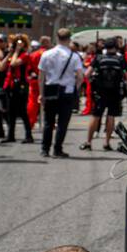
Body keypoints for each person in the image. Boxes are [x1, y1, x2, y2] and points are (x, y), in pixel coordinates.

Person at [38, 28, 85, 159]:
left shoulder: (47, 54)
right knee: (63, 123)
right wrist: (75, 87)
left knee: (49, 122)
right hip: (67, 91)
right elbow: (80, 76)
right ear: (69, 39)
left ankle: (44, 149)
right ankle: (58, 149)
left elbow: (41, 76)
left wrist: (41, 94)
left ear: (56, 38)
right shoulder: (74, 56)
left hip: (50, 89)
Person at [82, 37, 127, 151]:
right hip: (115, 92)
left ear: (105, 47)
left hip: (100, 92)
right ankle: (106, 143)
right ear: (116, 47)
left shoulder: (98, 58)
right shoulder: (121, 59)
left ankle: (88, 142)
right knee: (111, 116)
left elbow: (87, 74)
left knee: (96, 115)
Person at [3, 35, 35, 144]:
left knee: (22, 111)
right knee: (10, 112)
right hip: (10, 85)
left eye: (19, 43)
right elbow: (2, 66)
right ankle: (10, 135)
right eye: (15, 43)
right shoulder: (13, 54)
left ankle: (29, 135)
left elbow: (13, 64)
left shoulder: (25, 55)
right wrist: (10, 53)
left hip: (20, 85)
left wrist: (16, 51)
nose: (17, 45)